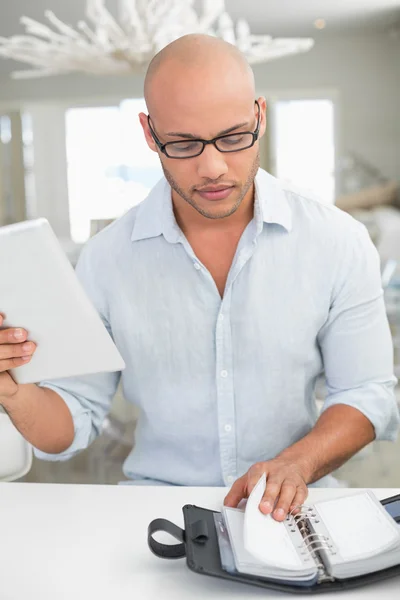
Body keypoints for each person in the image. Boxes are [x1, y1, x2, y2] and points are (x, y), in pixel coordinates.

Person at [0, 34, 398, 521]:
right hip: (158, 512)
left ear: (260, 115)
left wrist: (296, 464)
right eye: (184, 143)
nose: (212, 168)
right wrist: (14, 393)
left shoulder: (339, 240)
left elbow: (366, 392)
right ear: (149, 133)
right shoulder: (106, 259)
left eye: (233, 138)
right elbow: (72, 421)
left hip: (295, 508)